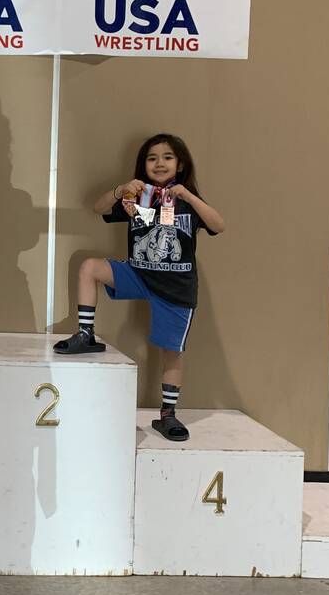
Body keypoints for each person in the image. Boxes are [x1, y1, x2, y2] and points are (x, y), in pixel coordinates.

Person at [53, 134, 225, 441]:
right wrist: (121, 190)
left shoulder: (187, 202)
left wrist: (188, 194)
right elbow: (99, 207)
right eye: (152, 158)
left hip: (175, 289)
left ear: (180, 163)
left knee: (171, 353)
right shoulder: (137, 197)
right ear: (143, 165)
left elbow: (218, 225)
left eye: (167, 157)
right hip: (138, 273)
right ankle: (86, 334)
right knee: (90, 267)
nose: (159, 163)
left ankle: (168, 415)